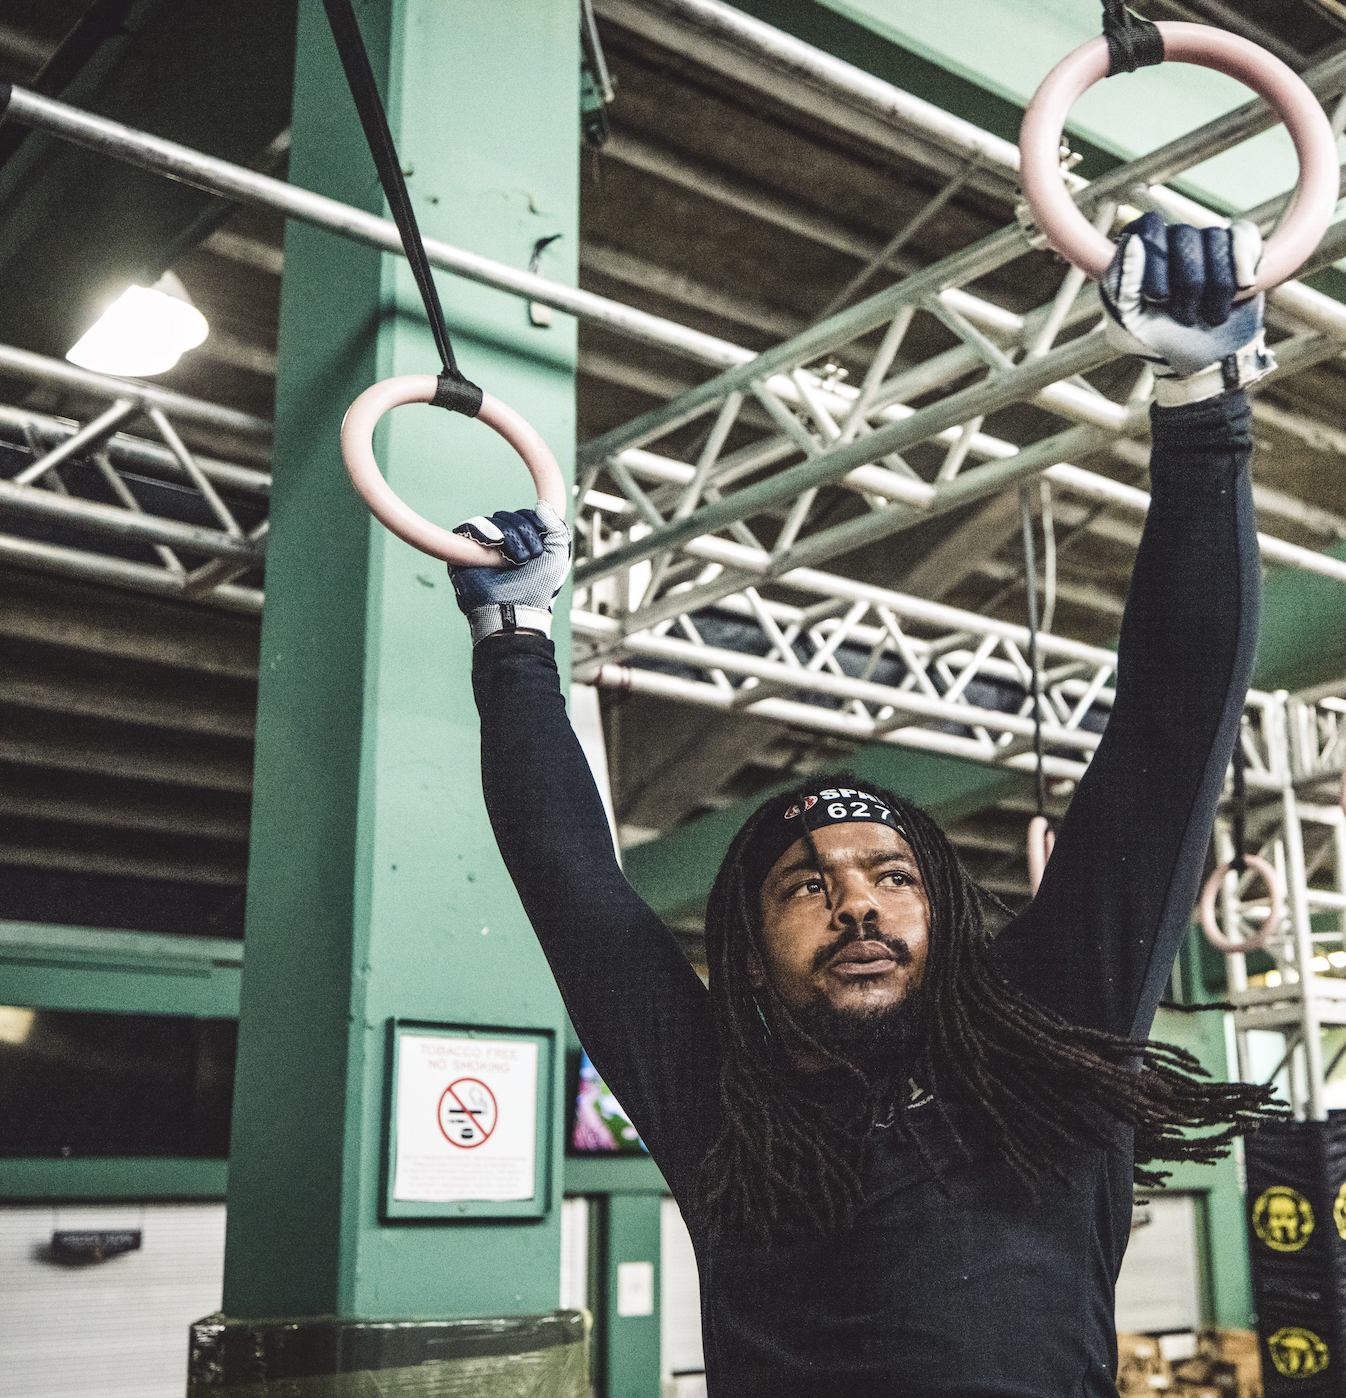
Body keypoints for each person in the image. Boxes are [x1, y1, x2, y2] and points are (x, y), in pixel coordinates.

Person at [460, 215, 1282, 1396]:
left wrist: (1203, 404)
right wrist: (512, 642)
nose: (857, 904)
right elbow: (576, 888)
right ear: (747, 950)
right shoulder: (715, 1102)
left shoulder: (1058, 1039)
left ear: (940, 913)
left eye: (892, 877)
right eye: (807, 886)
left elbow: (1169, 731)